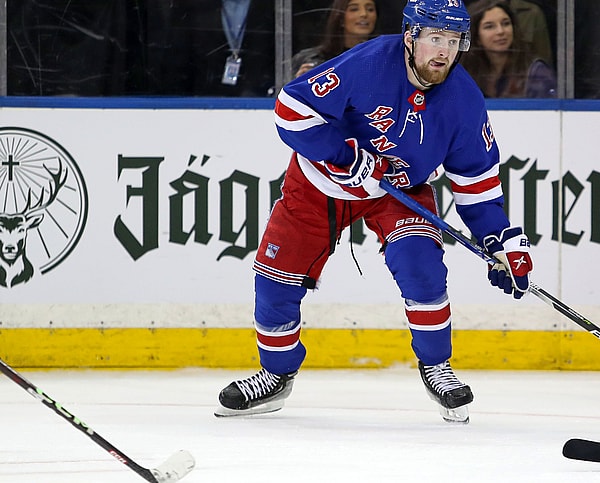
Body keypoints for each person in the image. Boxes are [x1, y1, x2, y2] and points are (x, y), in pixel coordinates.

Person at [214, 0, 534, 424]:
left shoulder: (464, 101)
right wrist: (343, 154)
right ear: (410, 36)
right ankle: (276, 373)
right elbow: (290, 112)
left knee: (421, 264)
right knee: (274, 282)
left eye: (454, 41)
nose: (444, 51)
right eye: (434, 38)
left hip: (397, 190)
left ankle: (436, 364)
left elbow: (477, 184)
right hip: (319, 183)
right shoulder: (368, 63)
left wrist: (500, 240)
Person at [460, 0, 556, 98]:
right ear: (476, 37)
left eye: (505, 23)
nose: (501, 31)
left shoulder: (536, 72)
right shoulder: (465, 71)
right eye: (489, 26)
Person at [291, 0, 379, 78]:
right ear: (340, 18)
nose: (364, 14)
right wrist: (301, 84)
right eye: (354, 9)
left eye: (370, 9)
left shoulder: (384, 58)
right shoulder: (310, 59)